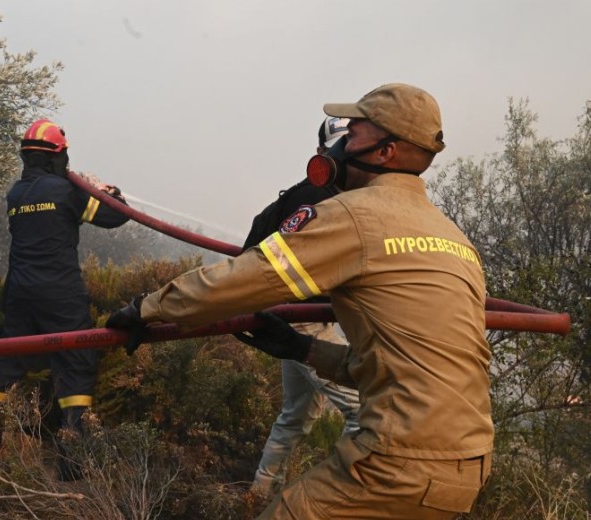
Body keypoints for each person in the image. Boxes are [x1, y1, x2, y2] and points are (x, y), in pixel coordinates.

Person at [107, 83, 492, 519]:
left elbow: (239, 281)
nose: (344, 144)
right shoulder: (451, 236)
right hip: (466, 467)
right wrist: (302, 349)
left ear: (386, 151)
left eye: (356, 134)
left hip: (398, 461)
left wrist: (147, 308)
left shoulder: (354, 215)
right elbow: (404, 366)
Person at [0, 119, 130, 473]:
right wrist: (104, 190)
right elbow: (115, 217)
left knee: (7, 361)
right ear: (59, 155)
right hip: (60, 293)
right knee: (75, 365)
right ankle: (72, 461)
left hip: (19, 293)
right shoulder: (67, 192)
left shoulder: (17, 193)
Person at [238, 116, 360, 497]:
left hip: (298, 317)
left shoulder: (308, 193)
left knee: (296, 416)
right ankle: (331, 500)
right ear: (324, 154)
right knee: (365, 410)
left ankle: (258, 494)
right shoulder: (321, 199)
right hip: (305, 321)